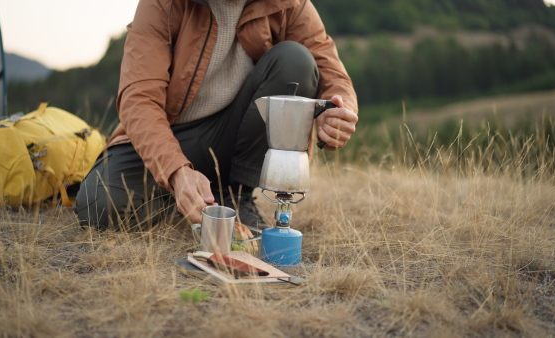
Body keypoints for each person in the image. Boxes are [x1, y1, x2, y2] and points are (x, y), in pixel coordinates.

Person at [74, 0, 358, 231]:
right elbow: (139, 99)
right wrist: (175, 172)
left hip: (236, 132)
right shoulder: (162, 4)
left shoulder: (290, 4)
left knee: (295, 60)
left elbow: (329, 67)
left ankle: (237, 194)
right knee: (98, 205)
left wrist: (338, 112)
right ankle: (196, 199)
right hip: (170, 135)